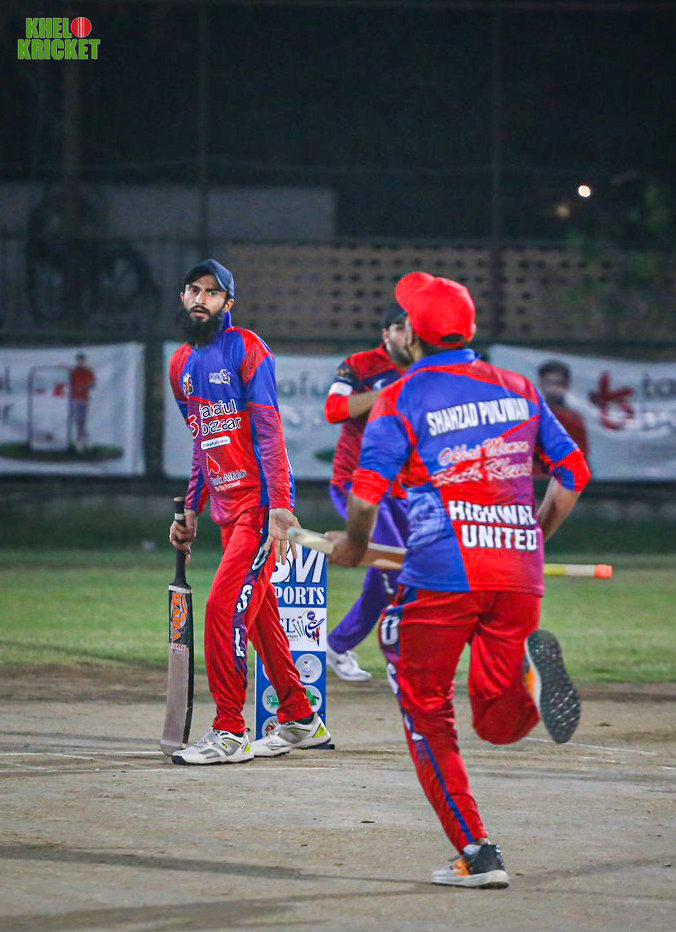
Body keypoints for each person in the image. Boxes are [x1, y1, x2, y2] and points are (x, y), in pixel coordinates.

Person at [328, 271, 590, 888]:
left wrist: (354, 546)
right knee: (495, 722)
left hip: (442, 574)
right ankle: (529, 681)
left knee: (427, 711)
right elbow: (574, 473)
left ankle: (478, 852)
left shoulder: (401, 395)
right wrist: (532, 537)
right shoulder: (519, 387)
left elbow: (364, 497)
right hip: (518, 570)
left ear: (413, 336)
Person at [168, 258, 330, 764]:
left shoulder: (246, 347)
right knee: (259, 618)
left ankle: (230, 731)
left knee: (222, 609)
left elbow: (269, 428)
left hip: (259, 508)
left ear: (228, 303)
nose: (200, 299)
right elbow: (202, 444)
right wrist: (190, 510)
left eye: (212, 292)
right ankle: (300, 717)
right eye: (193, 290)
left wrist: (281, 506)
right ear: (183, 297)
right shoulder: (179, 365)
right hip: (225, 509)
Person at [322, 304, 412, 681]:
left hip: (404, 489)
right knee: (395, 565)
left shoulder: (427, 369)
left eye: (414, 328)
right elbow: (334, 409)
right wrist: (387, 394)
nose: (408, 335)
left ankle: (338, 644)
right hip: (356, 482)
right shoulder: (359, 365)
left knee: (393, 568)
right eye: (400, 327)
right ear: (386, 333)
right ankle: (402, 661)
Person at [536, 359, 590, 457]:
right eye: (549, 383)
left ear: (567, 385)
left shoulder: (574, 419)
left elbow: (582, 454)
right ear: (540, 384)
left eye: (559, 383)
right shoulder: (533, 416)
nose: (554, 388)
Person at [69, 352, 95, 453]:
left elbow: (92, 383)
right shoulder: (73, 371)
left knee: (82, 420)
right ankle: (81, 439)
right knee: (78, 420)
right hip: (74, 398)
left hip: (84, 399)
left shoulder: (88, 371)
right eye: (79, 360)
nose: (80, 362)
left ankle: (83, 439)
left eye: (82, 360)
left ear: (84, 361)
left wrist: (85, 386)